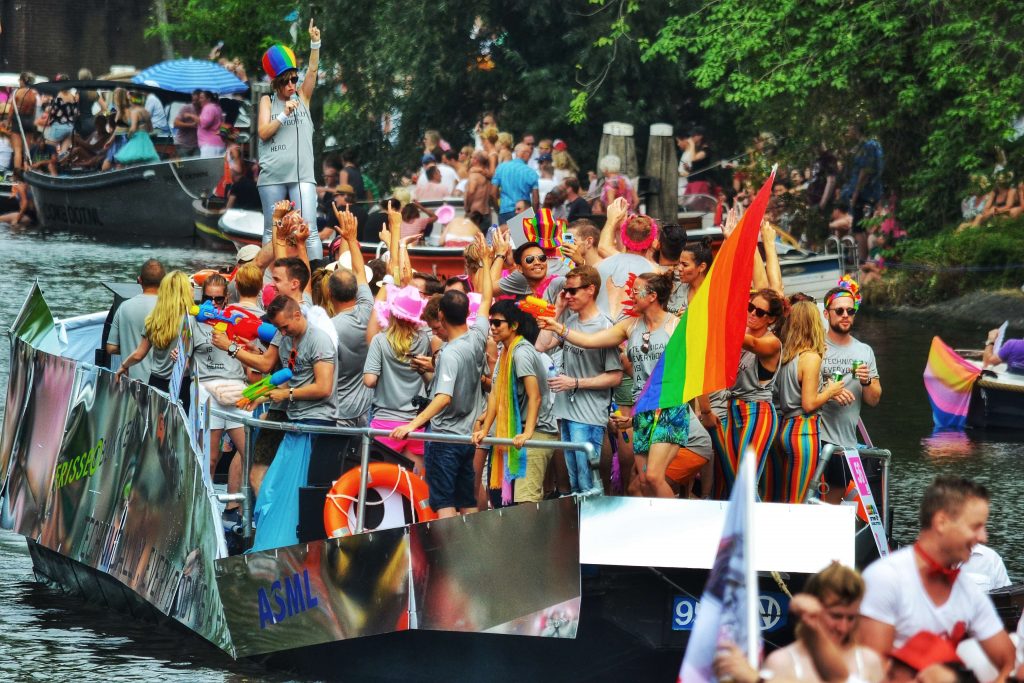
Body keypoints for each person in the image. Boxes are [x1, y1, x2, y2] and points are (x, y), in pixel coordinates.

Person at [540, 272, 687, 498]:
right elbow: (590, 341)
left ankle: (679, 529)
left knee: (653, 477)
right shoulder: (629, 326)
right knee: (638, 486)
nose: (631, 294)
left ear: (652, 296)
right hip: (643, 408)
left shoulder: (676, 324)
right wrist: (559, 327)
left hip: (669, 404)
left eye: (636, 291)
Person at [859, 476, 1015, 677]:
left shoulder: (968, 590)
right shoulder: (885, 578)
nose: (984, 537)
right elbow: (872, 673)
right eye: (975, 527)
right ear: (941, 522)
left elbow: (1008, 662)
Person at [388, 239, 497, 518]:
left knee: (443, 503)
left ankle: (448, 560)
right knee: (468, 501)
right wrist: (485, 260)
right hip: (466, 438)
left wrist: (411, 425)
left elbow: (443, 398)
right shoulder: (478, 336)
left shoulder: (449, 353)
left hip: (445, 440)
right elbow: (485, 300)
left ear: (441, 316)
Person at [213, 294, 338, 494]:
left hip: (316, 420)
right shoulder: (286, 337)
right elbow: (288, 378)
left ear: (297, 315)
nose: (281, 333)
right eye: (278, 328)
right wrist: (261, 396)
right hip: (294, 417)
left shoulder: (319, 339)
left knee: (303, 485)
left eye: (284, 327)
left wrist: (287, 394)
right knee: (271, 478)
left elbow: (324, 388)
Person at [714, 562, 885, 683]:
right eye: (836, 616)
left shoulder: (869, 660)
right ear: (812, 608)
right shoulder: (781, 661)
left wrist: (756, 679)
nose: (843, 627)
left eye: (851, 618)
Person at [536, 265, 623, 495]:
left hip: (589, 414)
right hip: (566, 412)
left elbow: (615, 376)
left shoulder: (605, 326)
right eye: (565, 291)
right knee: (575, 484)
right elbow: (541, 345)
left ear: (591, 290)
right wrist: (557, 309)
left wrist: (574, 383)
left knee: (588, 485)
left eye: (573, 291)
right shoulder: (570, 322)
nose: (568, 295)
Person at [473, 300, 559, 504]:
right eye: (491, 323)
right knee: (510, 501)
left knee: (526, 500)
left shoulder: (521, 352)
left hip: (537, 431)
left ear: (514, 325)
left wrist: (528, 433)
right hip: (516, 431)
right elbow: (495, 395)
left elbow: (535, 396)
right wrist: (485, 430)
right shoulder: (506, 350)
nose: (492, 328)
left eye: (497, 323)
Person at [188, 274, 248, 539]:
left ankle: (234, 506)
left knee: (250, 450)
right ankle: (201, 509)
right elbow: (179, 354)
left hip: (235, 389)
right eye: (207, 298)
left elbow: (255, 356)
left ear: (227, 298)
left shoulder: (238, 319)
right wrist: (179, 354)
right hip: (208, 390)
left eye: (217, 299)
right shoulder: (191, 320)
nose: (212, 304)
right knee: (210, 458)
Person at [257, 23, 324, 259]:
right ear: (276, 83)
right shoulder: (267, 101)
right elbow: (264, 132)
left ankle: (315, 279)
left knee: (309, 230)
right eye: (285, 81)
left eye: (294, 79)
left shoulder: (303, 97)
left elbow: (313, 72)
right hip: (273, 175)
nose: (291, 85)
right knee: (272, 230)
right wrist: (284, 114)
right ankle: (269, 280)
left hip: (301, 175)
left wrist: (314, 44)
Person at [773, 300, 845, 503]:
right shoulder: (810, 358)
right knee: (801, 498)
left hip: (787, 428)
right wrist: (830, 391)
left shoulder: (788, 356)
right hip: (804, 430)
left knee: (790, 493)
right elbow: (809, 404)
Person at [818, 278, 881, 503]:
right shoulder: (817, 347)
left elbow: (874, 400)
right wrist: (827, 390)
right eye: (840, 310)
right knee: (805, 500)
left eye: (850, 311)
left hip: (845, 443)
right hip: (815, 437)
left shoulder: (864, 351)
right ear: (827, 314)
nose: (846, 315)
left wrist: (866, 382)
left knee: (832, 504)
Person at [364, 285, 431, 473]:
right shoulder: (423, 339)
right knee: (415, 487)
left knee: (381, 487)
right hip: (414, 424)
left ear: (392, 312)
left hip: (384, 424)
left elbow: (369, 380)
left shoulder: (380, 340)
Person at [113, 271, 194, 410]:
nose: (193, 289)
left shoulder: (155, 319)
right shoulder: (191, 321)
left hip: (156, 382)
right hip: (181, 384)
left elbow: (139, 354)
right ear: (185, 291)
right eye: (191, 286)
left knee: (156, 426)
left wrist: (124, 366)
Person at [328, 206, 373, 427]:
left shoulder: (328, 328)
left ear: (330, 293)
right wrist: (351, 239)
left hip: (338, 413)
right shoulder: (368, 310)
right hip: (365, 412)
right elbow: (360, 272)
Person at [105, 259, 165, 381]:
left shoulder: (124, 307)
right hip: (160, 383)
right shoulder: (168, 309)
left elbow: (111, 348)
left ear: (139, 280)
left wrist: (129, 347)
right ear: (164, 282)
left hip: (131, 381)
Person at [840, 124, 884, 261]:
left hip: (866, 192)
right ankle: (863, 259)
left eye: (849, 129)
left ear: (855, 129)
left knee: (858, 228)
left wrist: (856, 192)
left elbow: (865, 170)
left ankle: (863, 260)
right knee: (860, 227)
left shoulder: (868, 146)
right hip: (866, 191)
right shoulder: (864, 146)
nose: (847, 132)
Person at [492, 142, 539, 226]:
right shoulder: (531, 173)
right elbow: (535, 200)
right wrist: (534, 216)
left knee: (505, 238)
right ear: (526, 154)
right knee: (520, 239)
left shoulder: (501, 168)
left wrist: (498, 210)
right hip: (524, 212)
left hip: (505, 211)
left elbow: (492, 193)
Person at [463, 151, 492, 222]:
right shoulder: (487, 175)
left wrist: (467, 207)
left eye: (471, 157)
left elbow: (471, 192)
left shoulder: (474, 176)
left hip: (475, 214)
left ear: (476, 160)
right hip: (487, 213)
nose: (470, 159)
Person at [173, 90, 201, 158]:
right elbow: (175, 123)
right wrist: (190, 125)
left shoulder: (204, 109)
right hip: (183, 144)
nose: (194, 102)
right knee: (185, 166)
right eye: (193, 100)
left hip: (197, 145)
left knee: (197, 166)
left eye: (196, 100)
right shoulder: (186, 108)